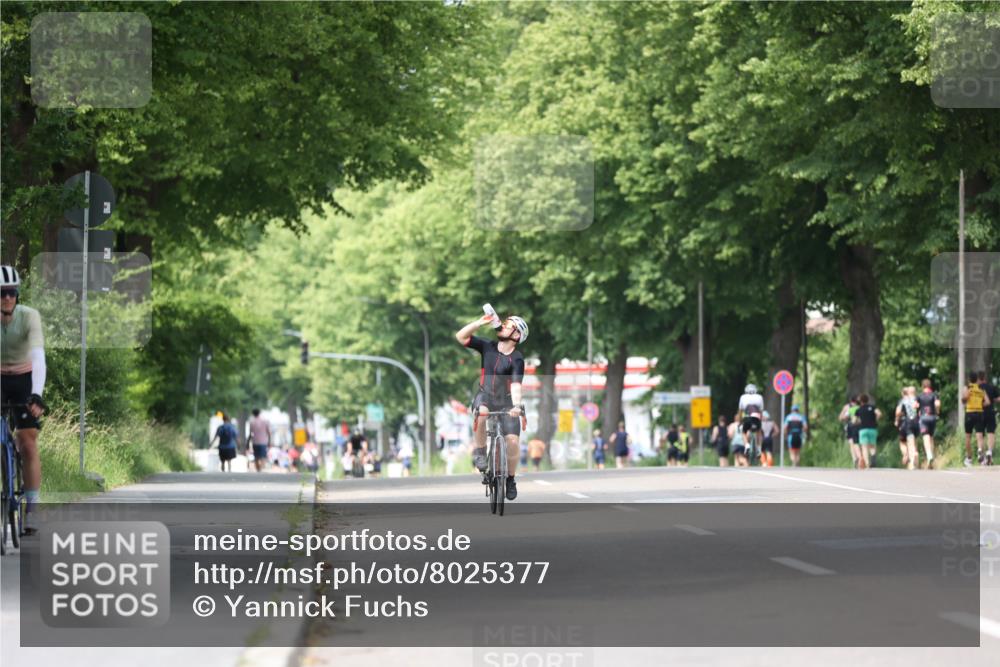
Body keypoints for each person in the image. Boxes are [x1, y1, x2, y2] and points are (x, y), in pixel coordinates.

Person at [455, 311, 528, 501]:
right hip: (485, 395)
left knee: (512, 441)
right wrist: (478, 322)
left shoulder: (517, 359)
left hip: (507, 401)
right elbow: (460, 337)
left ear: (516, 335)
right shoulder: (488, 346)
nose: (503, 326)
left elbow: (516, 385)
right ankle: (480, 452)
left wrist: (517, 405)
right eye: (503, 323)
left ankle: (510, 479)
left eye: (508, 325)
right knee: (482, 413)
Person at [0, 265, 46, 535]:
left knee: (28, 441)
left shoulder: (29, 317)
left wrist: (36, 393)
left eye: (12, 292)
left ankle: (32, 509)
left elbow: (38, 356)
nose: (7, 298)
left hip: (23, 378)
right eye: (2, 293)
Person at [963, 371, 987, 467]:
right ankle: (980, 451)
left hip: (969, 412)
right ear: (977, 380)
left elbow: (964, 399)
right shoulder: (981, 390)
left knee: (968, 436)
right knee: (979, 435)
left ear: (969, 379)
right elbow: (987, 402)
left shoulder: (968, 388)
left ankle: (969, 458)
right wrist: (980, 404)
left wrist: (966, 398)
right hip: (979, 413)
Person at [916, 379, 940, 469]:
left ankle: (929, 456)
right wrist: (937, 412)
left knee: (925, 437)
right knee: (931, 437)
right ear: (930, 386)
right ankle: (932, 457)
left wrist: (917, 411)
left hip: (923, 418)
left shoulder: (920, 395)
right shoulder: (934, 395)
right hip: (932, 418)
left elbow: (915, 405)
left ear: (923, 386)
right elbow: (937, 404)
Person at [895, 387, 920, 470]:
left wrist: (897, 419)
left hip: (908, 422)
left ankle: (912, 459)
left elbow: (898, 412)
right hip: (918, 422)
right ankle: (915, 454)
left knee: (908, 441)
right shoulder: (918, 399)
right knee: (914, 440)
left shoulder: (904, 401)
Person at [737, 384, 764, 457]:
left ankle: (747, 445)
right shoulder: (759, 397)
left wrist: (739, 422)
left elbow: (740, 411)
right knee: (759, 431)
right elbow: (761, 411)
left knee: (743, 431)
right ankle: (759, 448)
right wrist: (761, 421)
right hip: (756, 418)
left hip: (747, 418)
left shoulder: (743, 397)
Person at [855, 394, 880, 469]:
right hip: (872, 428)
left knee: (864, 447)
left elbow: (855, 420)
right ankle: (873, 457)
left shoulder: (859, 409)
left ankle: (867, 463)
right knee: (872, 445)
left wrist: (858, 422)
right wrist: (875, 420)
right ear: (867, 400)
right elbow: (879, 413)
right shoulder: (872, 407)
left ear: (860, 401)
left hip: (863, 429)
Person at [979, 370, 998, 466]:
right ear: (985, 378)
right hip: (990, 412)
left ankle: (981, 456)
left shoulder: (976, 388)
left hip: (979, 413)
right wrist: (994, 399)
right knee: (991, 432)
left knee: (980, 435)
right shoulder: (992, 387)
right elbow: (998, 399)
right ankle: (989, 451)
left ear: (978, 379)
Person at [839, 396, 860, 468]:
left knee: (852, 443)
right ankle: (856, 459)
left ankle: (856, 458)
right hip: (853, 426)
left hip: (851, 426)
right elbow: (841, 417)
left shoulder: (847, 407)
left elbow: (841, 417)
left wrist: (846, 416)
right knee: (855, 443)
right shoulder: (857, 407)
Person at [248, 408, 271, 473]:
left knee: (256, 456)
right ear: (259, 413)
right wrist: (269, 441)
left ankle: (258, 469)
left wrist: (248, 442)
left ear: (253, 414)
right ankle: (261, 468)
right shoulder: (265, 421)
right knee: (263, 456)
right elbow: (269, 432)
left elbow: (250, 434)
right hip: (263, 442)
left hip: (255, 441)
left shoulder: (252, 422)